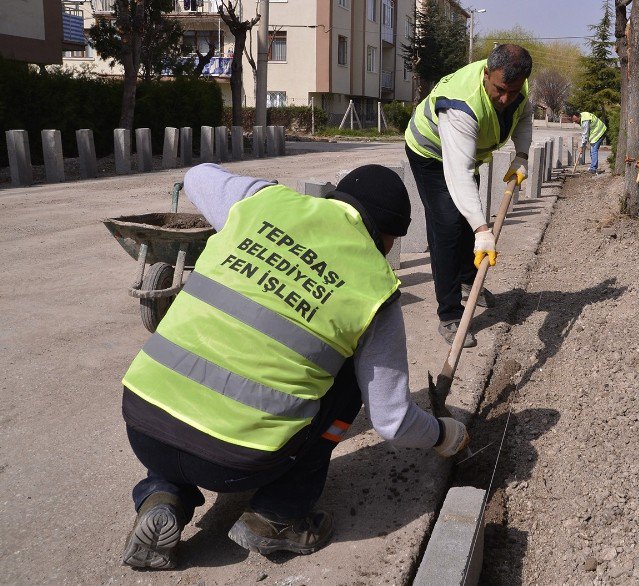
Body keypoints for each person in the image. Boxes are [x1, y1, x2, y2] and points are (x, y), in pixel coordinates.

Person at [120, 163, 470, 570]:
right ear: (388, 241)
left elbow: (197, 176)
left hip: (143, 424)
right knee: (350, 383)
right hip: (237, 463)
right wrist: (443, 434)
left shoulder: (261, 203)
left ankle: (164, 494)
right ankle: (278, 517)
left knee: (197, 364)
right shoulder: (375, 286)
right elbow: (390, 420)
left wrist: (265, 195)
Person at [404, 44, 533, 347]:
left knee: (466, 219)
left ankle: (465, 281)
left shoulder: (519, 87)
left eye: (511, 93)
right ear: (487, 73)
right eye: (500, 89)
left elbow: (524, 117)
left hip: (467, 155)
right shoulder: (461, 103)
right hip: (431, 153)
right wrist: (483, 229)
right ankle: (450, 314)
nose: (505, 99)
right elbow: (458, 175)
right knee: (448, 225)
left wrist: (522, 155)